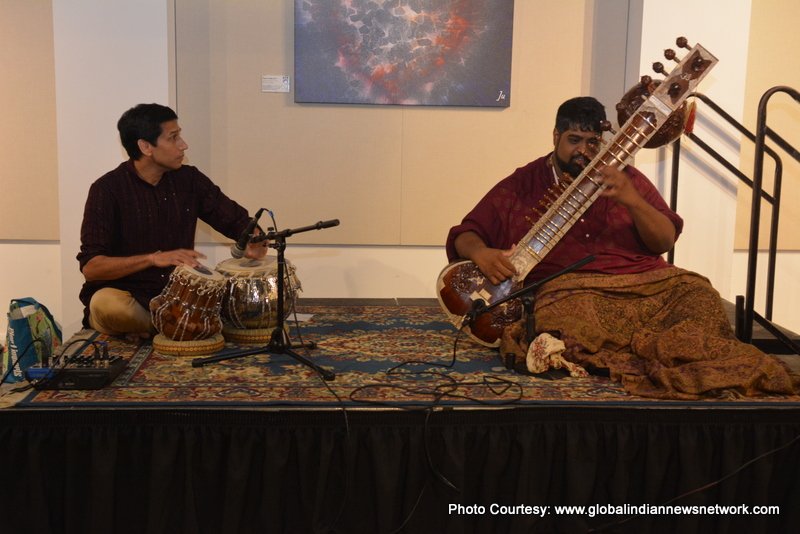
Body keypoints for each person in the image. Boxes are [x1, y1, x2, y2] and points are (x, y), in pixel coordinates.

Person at [445, 96, 797, 399]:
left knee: (700, 296)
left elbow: (665, 240)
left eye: (592, 142)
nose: (583, 151)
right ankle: (649, 350)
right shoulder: (524, 184)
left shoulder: (626, 179)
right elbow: (467, 233)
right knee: (566, 317)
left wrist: (632, 200)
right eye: (574, 140)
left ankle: (668, 356)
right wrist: (481, 253)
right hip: (574, 292)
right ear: (555, 136)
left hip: (646, 284)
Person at [77, 103, 268, 340]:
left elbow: (234, 219)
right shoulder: (107, 190)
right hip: (129, 296)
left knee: (234, 294)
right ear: (146, 146)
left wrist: (253, 238)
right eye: (173, 137)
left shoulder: (189, 179)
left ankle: (168, 325)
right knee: (107, 305)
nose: (183, 145)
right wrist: (152, 259)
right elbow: (92, 267)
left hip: (179, 298)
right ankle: (182, 325)